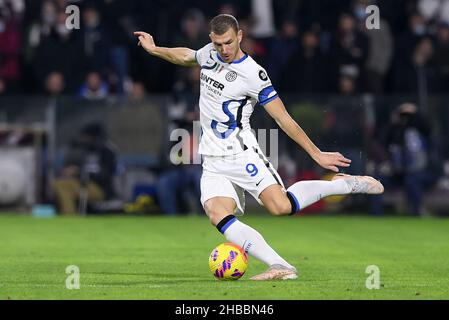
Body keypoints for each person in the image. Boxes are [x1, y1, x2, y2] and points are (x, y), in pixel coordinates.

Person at [134, 14, 384, 281]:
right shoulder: (210, 54)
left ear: (240, 36)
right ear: (211, 41)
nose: (224, 50)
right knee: (217, 213)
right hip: (212, 158)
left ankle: (341, 184)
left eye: (229, 42)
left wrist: (316, 153)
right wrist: (155, 49)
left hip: (242, 154)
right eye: (218, 44)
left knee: (281, 207)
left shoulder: (254, 74)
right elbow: (185, 56)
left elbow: (282, 117)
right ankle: (280, 265)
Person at [53, 123, 117, 215]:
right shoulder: (83, 150)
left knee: (63, 186)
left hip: (100, 188)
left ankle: (69, 215)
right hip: (83, 183)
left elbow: (105, 175)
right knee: (59, 183)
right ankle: (68, 213)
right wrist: (70, 172)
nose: (85, 139)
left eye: (88, 137)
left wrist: (79, 172)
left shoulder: (107, 151)